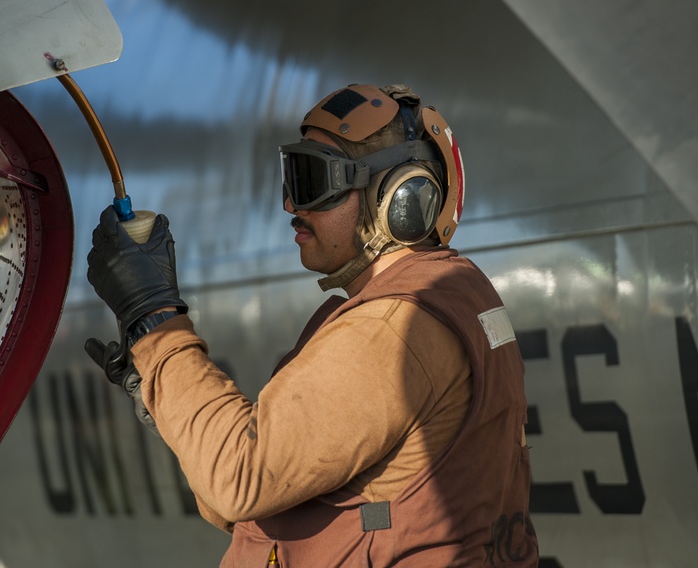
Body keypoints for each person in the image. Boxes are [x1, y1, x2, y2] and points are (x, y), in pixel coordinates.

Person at [84, 84, 538, 566]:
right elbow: (262, 494)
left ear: (399, 195)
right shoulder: (450, 294)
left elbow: (241, 479)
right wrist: (168, 399)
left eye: (313, 182)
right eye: (291, 178)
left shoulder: (392, 328)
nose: (290, 206)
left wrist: (156, 320)